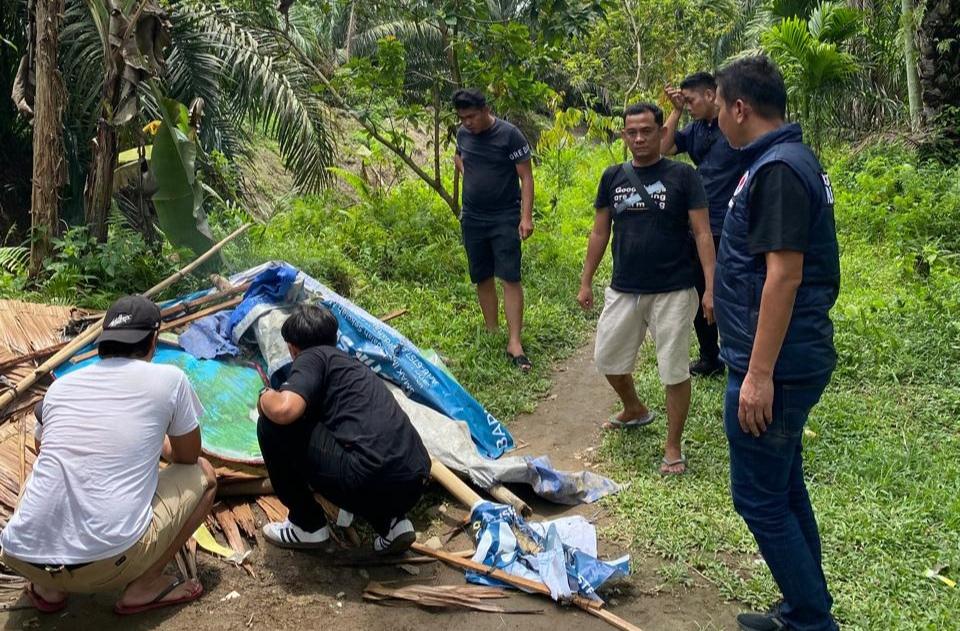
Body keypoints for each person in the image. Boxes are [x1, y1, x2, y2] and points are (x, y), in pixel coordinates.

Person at [713, 56, 841, 631]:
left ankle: (812, 622)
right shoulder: (777, 161)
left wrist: (758, 373)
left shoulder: (780, 169)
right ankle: (803, 608)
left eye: (718, 105)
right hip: (778, 358)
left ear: (740, 107)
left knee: (759, 499)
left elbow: (784, 275)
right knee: (783, 487)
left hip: (778, 367)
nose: (715, 116)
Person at [0, 295, 217, 615]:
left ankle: (49, 586)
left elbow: (41, 450)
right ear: (153, 340)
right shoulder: (170, 379)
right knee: (205, 475)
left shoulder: (61, 387)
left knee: (41, 471)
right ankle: (145, 585)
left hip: (22, 556)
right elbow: (187, 456)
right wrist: (159, 445)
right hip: (108, 565)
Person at [578, 102, 716, 475]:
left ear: (661, 132)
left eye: (646, 131)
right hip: (625, 287)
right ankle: (635, 408)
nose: (638, 138)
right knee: (607, 358)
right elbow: (599, 231)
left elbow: (703, 232)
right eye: (631, 132)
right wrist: (586, 279)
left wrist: (710, 288)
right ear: (624, 135)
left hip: (673, 289)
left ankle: (672, 446)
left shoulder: (684, 177)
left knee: (673, 370)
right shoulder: (612, 177)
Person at [256, 304, 431, 555]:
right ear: (334, 338)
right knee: (363, 450)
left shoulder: (312, 357)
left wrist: (264, 396)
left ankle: (306, 525)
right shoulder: (352, 367)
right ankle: (391, 524)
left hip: (369, 479)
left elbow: (285, 411)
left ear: (293, 348)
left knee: (270, 424)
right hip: (415, 479)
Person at [661, 72, 742, 377]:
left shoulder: (734, 127)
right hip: (699, 223)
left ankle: (738, 354)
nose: (688, 105)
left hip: (730, 223)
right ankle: (711, 356)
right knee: (700, 292)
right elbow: (663, 148)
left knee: (729, 293)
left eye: (691, 99)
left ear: (710, 95)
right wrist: (677, 111)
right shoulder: (696, 129)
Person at [452, 88, 535, 372]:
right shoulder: (463, 134)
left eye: (471, 116)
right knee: (482, 275)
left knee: (509, 276)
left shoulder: (510, 135)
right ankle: (492, 331)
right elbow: (459, 158)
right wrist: (472, 176)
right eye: (462, 118)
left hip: (504, 216)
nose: (467, 123)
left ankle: (514, 341)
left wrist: (525, 218)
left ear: (485, 109)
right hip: (473, 217)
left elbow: (526, 177)